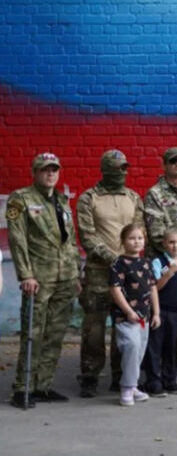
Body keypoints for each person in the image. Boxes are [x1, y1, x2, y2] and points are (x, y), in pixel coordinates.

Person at [6, 152, 80, 407]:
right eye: (45, 170)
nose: (50, 174)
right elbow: (18, 240)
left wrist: (75, 274)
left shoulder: (60, 198)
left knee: (55, 333)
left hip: (65, 277)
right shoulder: (21, 199)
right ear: (35, 172)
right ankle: (22, 388)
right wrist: (25, 274)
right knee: (33, 332)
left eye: (54, 170)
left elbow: (69, 240)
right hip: (39, 278)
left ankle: (43, 385)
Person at [76, 149, 144, 398]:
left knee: (124, 325)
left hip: (128, 273)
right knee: (94, 327)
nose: (122, 173)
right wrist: (114, 259)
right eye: (118, 168)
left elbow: (138, 230)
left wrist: (128, 262)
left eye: (125, 167)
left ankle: (120, 376)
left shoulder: (133, 197)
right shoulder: (88, 198)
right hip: (98, 272)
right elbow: (87, 235)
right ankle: (90, 376)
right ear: (105, 169)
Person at [108, 224, 160, 406]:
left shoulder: (146, 263)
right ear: (123, 241)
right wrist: (128, 311)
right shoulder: (118, 263)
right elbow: (115, 289)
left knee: (139, 351)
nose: (136, 241)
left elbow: (153, 287)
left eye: (140, 238)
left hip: (144, 316)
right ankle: (127, 387)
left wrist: (156, 313)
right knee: (131, 346)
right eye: (132, 238)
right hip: (126, 316)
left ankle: (133, 385)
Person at [146, 226, 177, 396]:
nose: (175, 246)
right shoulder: (158, 262)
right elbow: (155, 287)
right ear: (165, 244)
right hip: (160, 311)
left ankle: (170, 379)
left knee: (171, 347)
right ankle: (153, 381)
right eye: (172, 242)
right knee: (155, 347)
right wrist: (168, 274)